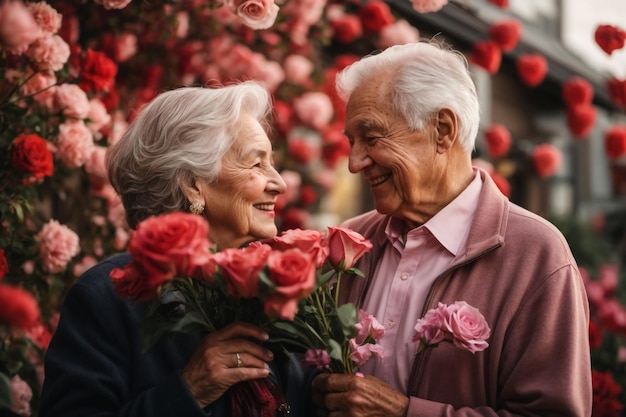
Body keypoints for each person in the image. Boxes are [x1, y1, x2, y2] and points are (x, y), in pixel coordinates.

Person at [311, 41, 592, 416]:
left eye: (371, 137)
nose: (354, 162)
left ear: (442, 129)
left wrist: (404, 413)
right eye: (351, 142)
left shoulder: (537, 255)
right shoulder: (351, 242)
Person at [40, 81, 307, 417]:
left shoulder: (276, 288)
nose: (279, 183)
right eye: (256, 164)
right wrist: (188, 391)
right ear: (193, 185)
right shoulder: (109, 297)